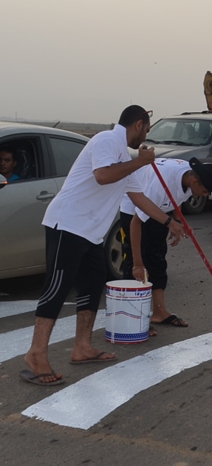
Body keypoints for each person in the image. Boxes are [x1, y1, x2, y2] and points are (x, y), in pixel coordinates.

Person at [21, 105, 186, 386]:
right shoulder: (107, 140)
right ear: (138, 125)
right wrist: (141, 162)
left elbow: (138, 197)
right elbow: (103, 175)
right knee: (58, 288)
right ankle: (36, 354)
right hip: (68, 224)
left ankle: (82, 347)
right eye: (146, 129)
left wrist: (168, 222)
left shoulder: (124, 155)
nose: (145, 136)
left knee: (93, 285)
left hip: (90, 233)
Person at [120, 157, 212, 332]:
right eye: (204, 191)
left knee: (158, 258)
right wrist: (137, 263)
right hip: (135, 206)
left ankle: (160, 312)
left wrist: (177, 221)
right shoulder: (160, 185)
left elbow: (177, 197)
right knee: (136, 264)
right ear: (195, 181)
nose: (204, 196)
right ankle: (133, 318)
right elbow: (136, 224)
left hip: (160, 207)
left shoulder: (190, 179)